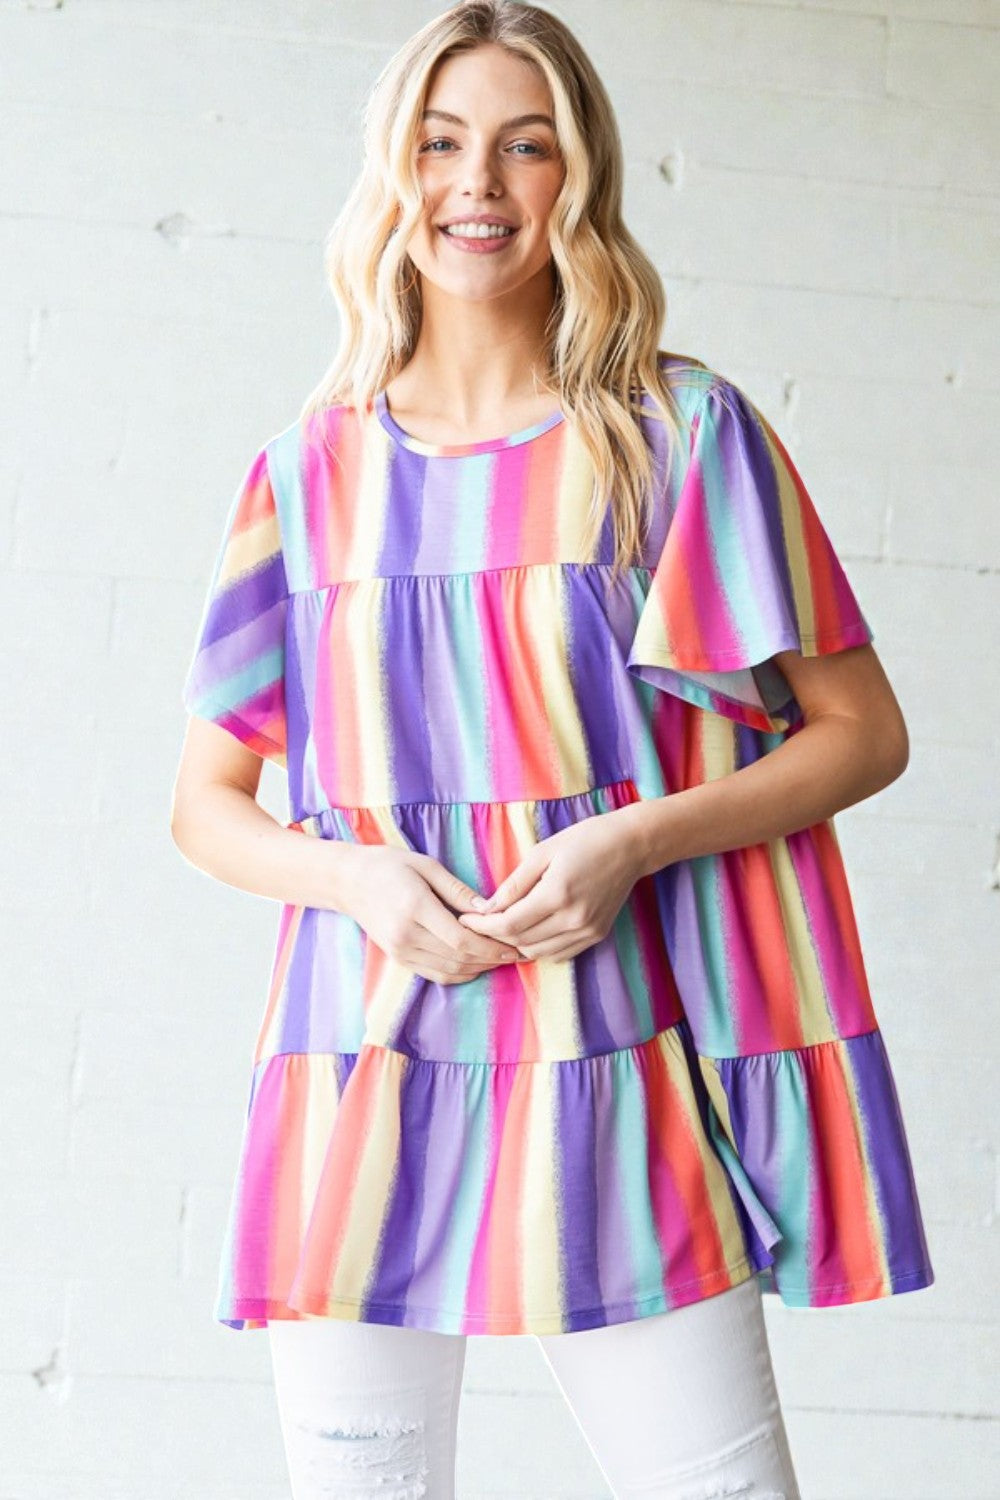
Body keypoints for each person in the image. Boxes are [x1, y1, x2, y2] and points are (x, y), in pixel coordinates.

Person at [170, 4, 934, 1497]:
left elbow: (864, 732)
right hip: (364, 1061)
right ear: (393, 175)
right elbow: (207, 805)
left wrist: (632, 839)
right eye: (442, 143)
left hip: (612, 1058)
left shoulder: (682, 439)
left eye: (529, 145)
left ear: (577, 179)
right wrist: (357, 881)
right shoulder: (307, 473)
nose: (481, 182)